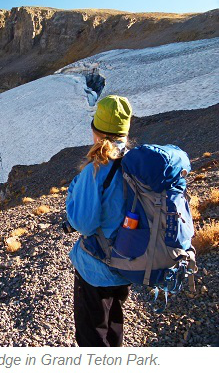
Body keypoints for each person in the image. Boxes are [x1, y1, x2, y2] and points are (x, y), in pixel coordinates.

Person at [66, 95, 133, 347]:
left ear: (96, 131)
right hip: (127, 262)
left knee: (92, 335)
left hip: (97, 268)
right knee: (114, 325)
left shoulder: (95, 169)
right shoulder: (135, 164)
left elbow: (83, 223)